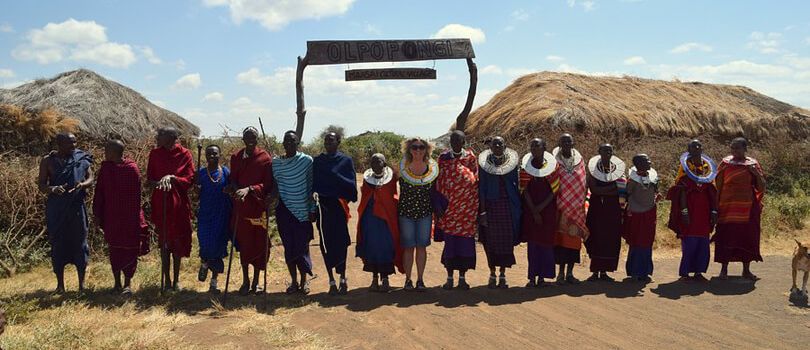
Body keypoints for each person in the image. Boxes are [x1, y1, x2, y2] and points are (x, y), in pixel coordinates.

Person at [38, 133, 93, 293]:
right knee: (58, 243)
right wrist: (53, 189)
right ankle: (60, 285)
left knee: (80, 242)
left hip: (76, 207)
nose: (74, 146)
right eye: (70, 143)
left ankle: (82, 285)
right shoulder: (47, 161)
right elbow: (41, 185)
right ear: (60, 144)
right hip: (57, 208)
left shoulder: (81, 158)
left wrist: (83, 184)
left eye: (75, 143)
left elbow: (91, 177)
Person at [93, 139, 148, 295]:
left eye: (106, 150)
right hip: (112, 216)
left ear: (113, 152)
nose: (104, 153)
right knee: (114, 250)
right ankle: (116, 283)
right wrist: (98, 213)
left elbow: (135, 196)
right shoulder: (106, 169)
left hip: (129, 217)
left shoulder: (131, 169)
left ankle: (127, 284)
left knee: (129, 250)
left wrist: (134, 218)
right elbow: (100, 192)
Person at [146, 127, 195, 291]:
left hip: (179, 205)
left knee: (177, 243)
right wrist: (160, 182)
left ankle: (176, 280)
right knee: (164, 243)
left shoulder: (185, 154)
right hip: (162, 203)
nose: (157, 137)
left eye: (161, 135)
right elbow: (150, 180)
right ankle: (166, 280)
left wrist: (173, 178)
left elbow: (189, 179)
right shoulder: (155, 154)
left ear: (171, 137)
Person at [226, 127, 273, 295]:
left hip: (258, 208)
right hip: (242, 207)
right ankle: (245, 281)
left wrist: (250, 189)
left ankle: (256, 282)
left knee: (259, 244)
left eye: (253, 137)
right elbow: (233, 179)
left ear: (257, 139)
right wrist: (235, 189)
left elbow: (267, 184)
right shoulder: (236, 157)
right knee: (245, 245)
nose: (250, 140)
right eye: (247, 137)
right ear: (243, 139)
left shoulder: (264, 158)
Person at [714, 137, 766, 281]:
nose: (734, 151)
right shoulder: (725, 164)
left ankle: (746, 271)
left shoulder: (753, 164)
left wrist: (755, 173)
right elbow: (717, 185)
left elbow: (761, 186)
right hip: (727, 208)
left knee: (747, 237)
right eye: (732, 148)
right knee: (726, 237)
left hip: (747, 208)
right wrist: (715, 206)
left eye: (737, 148)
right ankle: (723, 270)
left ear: (745, 149)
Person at [667, 139, 718, 282]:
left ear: (702, 149)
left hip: (704, 214)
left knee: (703, 244)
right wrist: (684, 212)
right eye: (693, 146)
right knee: (689, 244)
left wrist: (714, 212)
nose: (696, 148)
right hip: (689, 214)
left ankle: (698, 272)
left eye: (698, 146)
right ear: (688, 150)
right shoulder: (684, 170)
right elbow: (681, 192)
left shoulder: (708, 170)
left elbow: (712, 193)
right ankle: (685, 274)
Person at [313, 132, 358, 295]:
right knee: (326, 244)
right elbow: (314, 185)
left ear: (338, 142)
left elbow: (351, 184)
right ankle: (331, 280)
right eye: (325, 140)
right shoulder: (318, 162)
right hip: (323, 208)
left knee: (341, 242)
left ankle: (343, 278)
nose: (328, 143)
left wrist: (342, 193)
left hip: (339, 207)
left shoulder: (345, 161)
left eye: (331, 140)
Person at [434, 130, 479, 291]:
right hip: (449, 210)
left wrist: (475, 206)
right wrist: (438, 205)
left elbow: (476, 180)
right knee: (451, 244)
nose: (455, 144)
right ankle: (449, 278)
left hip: (467, 210)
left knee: (465, 245)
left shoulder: (470, 158)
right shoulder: (444, 159)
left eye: (459, 141)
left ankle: (462, 278)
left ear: (464, 142)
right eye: (453, 141)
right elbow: (437, 181)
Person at [272, 130, 316, 294]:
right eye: (286, 141)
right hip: (284, 210)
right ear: (282, 143)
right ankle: (293, 281)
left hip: (303, 211)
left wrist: (312, 209)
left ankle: (304, 282)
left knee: (302, 248)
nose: (289, 144)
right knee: (289, 247)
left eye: (292, 141)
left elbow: (311, 186)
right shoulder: (276, 163)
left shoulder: (306, 161)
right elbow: (275, 186)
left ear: (298, 143)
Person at [478, 136, 521, 289]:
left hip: (508, 206)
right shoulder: (484, 164)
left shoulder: (512, 163)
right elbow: (482, 188)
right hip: (491, 206)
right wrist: (482, 212)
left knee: (506, 241)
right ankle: (492, 273)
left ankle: (502, 274)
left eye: (500, 143)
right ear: (490, 146)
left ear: (505, 146)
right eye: (495, 143)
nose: (497, 145)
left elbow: (516, 185)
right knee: (490, 242)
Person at [356, 153, 403, 292]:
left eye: (379, 162)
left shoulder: (392, 178)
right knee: (371, 248)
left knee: (386, 248)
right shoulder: (367, 179)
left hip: (386, 221)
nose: (376, 164)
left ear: (384, 163)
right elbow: (364, 198)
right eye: (373, 162)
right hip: (369, 221)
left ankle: (386, 279)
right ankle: (374, 279)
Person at [398, 137, 438, 291]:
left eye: (421, 147)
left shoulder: (433, 168)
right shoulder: (402, 168)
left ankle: (420, 280)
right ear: (409, 149)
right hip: (406, 213)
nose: (418, 150)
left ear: (426, 149)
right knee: (408, 247)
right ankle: (408, 280)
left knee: (421, 247)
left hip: (425, 214)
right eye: (414, 147)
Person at [519, 138, 559, 287]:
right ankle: (531, 277)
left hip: (547, 211)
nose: (534, 148)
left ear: (544, 148)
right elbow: (524, 190)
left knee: (546, 244)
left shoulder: (553, 167)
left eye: (537, 145)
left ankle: (542, 277)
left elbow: (554, 191)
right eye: (532, 146)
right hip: (530, 211)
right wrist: (534, 210)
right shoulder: (526, 166)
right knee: (533, 245)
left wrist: (540, 209)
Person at [585, 144, 626, 282]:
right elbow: (595, 189)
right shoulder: (593, 169)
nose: (607, 153)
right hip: (597, 209)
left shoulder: (618, 170)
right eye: (604, 150)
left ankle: (604, 272)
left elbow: (622, 189)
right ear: (599, 152)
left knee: (610, 239)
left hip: (612, 210)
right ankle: (595, 271)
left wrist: (606, 190)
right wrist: (611, 190)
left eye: (610, 151)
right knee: (596, 236)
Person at [551, 134, 588, 284]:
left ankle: (570, 273)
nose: (567, 143)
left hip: (576, 208)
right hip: (560, 208)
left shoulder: (579, 161)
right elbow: (553, 181)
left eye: (569, 140)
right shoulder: (554, 161)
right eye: (563, 141)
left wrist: (581, 202)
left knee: (574, 241)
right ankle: (560, 274)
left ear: (573, 143)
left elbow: (582, 181)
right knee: (560, 241)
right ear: (559, 143)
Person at [196, 144, 232, 293]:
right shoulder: (201, 173)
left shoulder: (225, 172)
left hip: (221, 215)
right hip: (205, 215)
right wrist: (197, 189)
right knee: (205, 244)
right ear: (205, 156)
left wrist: (229, 189)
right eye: (209, 154)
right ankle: (204, 263)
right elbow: (196, 195)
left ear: (220, 155)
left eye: (215, 154)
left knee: (218, 248)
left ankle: (214, 283)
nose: (212, 156)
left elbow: (232, 188)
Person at [623, 154, 659, 282]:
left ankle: (645, 272)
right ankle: (634, 271)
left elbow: (656, 191)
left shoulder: (653, 177)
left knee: (647, 242)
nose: (650, 162)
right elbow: (627, 193)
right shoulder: (632, 180)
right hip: (636, 213)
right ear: (639, 164)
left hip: (649, 212)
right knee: (636, 242)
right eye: (647, 161)